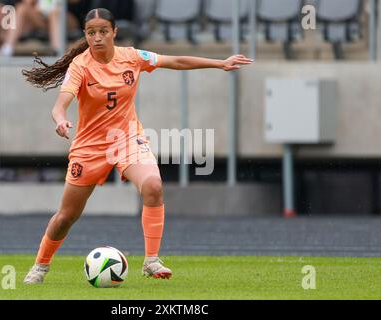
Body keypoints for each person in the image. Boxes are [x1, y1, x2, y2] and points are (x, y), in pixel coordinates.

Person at [21, 7, 253, 284]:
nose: (97, 38)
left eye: (103, 31)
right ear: (85, 34)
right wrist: (61, 121)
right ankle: (41, 265)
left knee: (153, 185)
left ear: (114, 32)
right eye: (91, 32)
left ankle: (151, 261)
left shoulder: (132, 56)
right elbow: (61, 105)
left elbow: (175, 61)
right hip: (89, 147)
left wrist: (219, 63)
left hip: (126, 139)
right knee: (66, 216)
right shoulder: (80, 66)